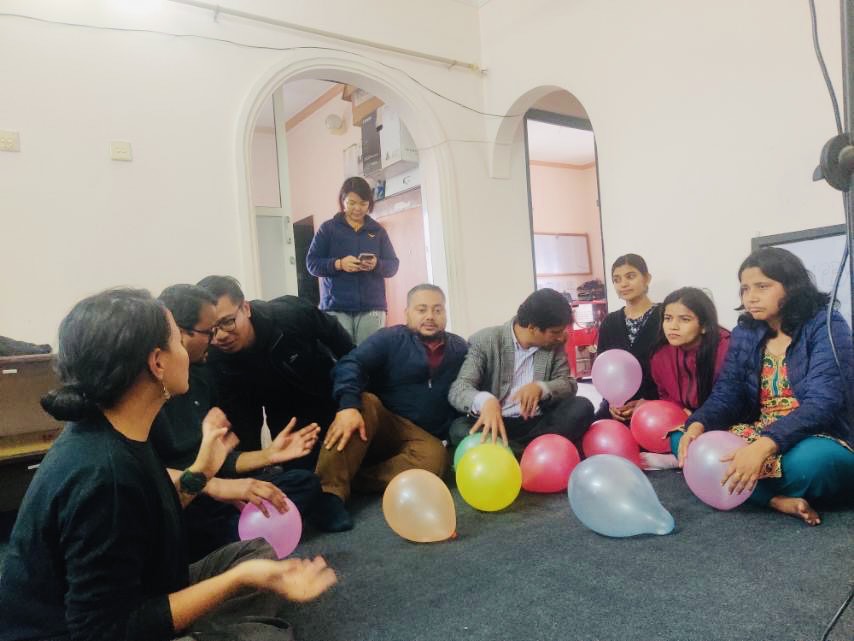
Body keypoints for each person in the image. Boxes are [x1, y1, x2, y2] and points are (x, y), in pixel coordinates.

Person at [0, 289, 336, 641]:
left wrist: (203, 471)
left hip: (144, 588)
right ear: (157, 362)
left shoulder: (114, 429)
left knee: (256, 551)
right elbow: (106, 632)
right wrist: (238, 579)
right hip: (85, 630)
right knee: (265, 631)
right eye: (178, 340)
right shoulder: (103, 474)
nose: (191, 354)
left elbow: (147, 517)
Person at [674, 247, 854, 525]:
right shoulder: (746, 331)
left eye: (762, 286)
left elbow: (824, 403)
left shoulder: (826, 325)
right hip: (760, 429)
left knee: (815, 464)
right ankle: (776, 500)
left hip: (814, 435)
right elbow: (727, 393)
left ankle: (743, 489)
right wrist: (698, 423)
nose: (751, 297)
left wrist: (763, 447)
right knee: (684, 440)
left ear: (792, 287)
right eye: (745, 288)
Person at [152, 284, 323, 561]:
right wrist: (214, 484)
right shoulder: (148, 395)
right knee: (188, 528)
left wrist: (268, 455)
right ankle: (233, 545)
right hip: (176, 503)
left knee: (303, 483)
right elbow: (146, 474)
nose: (216, 339)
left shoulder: (200, 375)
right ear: (178, 334)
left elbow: (221, 459)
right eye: (209, 332)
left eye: (221, 326)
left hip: (205, 488)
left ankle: (237, 542)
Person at [197, 275, 355, 532]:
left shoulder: (292, 315)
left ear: (245, 308)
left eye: (228, 322)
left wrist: (349, 398)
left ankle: (332, 489)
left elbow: (349, 352)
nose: (221, 336)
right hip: (273, 412)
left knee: (330, 453)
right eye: (212, 329)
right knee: (282, 463)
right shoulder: (211, 357)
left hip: (317, 395)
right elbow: (239, 433)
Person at [316, 284, 467, 527]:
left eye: (438, 310)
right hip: (385, 422)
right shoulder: (389, 338)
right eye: (422, 309)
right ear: (407, 313)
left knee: (435, 462)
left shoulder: (459, 348)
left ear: (445, 314)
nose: (430, 316)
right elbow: (350, 364)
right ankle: (327, 494)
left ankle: (356, 479)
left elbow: (470, 384)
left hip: (423, 436)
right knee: (363, 402)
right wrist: (347, 406)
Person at [448, 288, 594, 450]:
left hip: (537, 423)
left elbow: (568, 384)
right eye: (555, 332)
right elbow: (459, 389)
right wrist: (485, 401)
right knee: (458, 429)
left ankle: (511, 452)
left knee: (582, 406)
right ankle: (533, 452)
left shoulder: (554, 344)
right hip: (494, 422)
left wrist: (542, 388)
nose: (561, 337)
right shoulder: (486, 340)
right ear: (532, 328)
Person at [640, 287, 731, 470]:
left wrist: (700, 418)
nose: (673, 326)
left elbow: (731, 399)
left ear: (704, 325)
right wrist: (681, 410)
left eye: (685, 319)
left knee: (723, 445)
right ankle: (686, 458)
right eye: (668, 318)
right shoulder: (660, 354)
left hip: (724, 420)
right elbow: (665, 395)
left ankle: (684, 460)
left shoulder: (726, 348)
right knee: (671, 433)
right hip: (687, 421)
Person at [305, 176, 400, 344]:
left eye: (363, 204)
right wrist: (339, 264)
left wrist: (376, 264)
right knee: (342, 357)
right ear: (343, 201)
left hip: (372, 306)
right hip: (336, 307)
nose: (357, 208)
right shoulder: (328, 229)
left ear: (369, 204)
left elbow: (393, 265)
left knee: (370, 357)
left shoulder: (378, 231)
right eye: (352, 203)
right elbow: (312, 263)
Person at [594, 253, 662, 421]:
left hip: (656, 403)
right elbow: (603, 370)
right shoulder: (609, 322)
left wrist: (648, 402)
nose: (623, 284)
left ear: (646, 278)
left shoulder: (665, 316)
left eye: (630, 276)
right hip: (616, 406)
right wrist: (612, 403)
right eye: (616, 280)